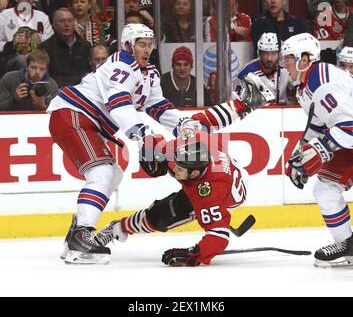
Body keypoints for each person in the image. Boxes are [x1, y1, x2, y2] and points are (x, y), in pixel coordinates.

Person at [49, 23, 274, 265]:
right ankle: (81, 236)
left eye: (149, 45)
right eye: (141, 45)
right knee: (102, 172)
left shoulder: (149, 74)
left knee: (113, 173)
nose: (147, 50)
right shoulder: (120, 65)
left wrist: (186, 124)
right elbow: (119, 104)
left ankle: (77, 234)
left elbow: (160, 109)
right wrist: (144, 135)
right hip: (72, 113)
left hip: (86, 120)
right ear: (128, 46)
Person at [95, 130, 249, 267]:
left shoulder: (208, 192)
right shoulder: (195, 143)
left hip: (231, 195)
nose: (174, 169)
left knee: (160, 217)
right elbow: (159, 143)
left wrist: (194, 254)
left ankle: (120, 227)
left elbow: (219, 235)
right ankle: (119, 227)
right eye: (176, 163)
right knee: (161, 212)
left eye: (180, 169)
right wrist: (152, 153)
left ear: (194, 174)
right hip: (227, 173)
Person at [282, 33, 353, 268]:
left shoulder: (322, 83)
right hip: (348, 140)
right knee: (325, 188)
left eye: (288, 59)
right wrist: (300, 153)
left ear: (304, 59)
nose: (285, 64)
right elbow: (319, 123)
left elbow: (350, 126)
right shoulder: (305, 86)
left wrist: (321, 150)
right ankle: (348, 247)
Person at [39, 7, 91, 88]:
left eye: (70, 20)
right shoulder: (45, 48)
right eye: (62, 21)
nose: (66, 24)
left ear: (74, 24)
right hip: (57, 90)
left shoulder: (86, 46)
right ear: (54, 25)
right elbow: (43, 76)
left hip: (82, 91)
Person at [238, 32, 293, 105]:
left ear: (279, 53)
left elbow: (299, 91)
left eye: (273, 53)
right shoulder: (247, 72)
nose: (269, 58)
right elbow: (240, 104)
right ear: (259, 53)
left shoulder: (286, 68)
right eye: (265, 53)